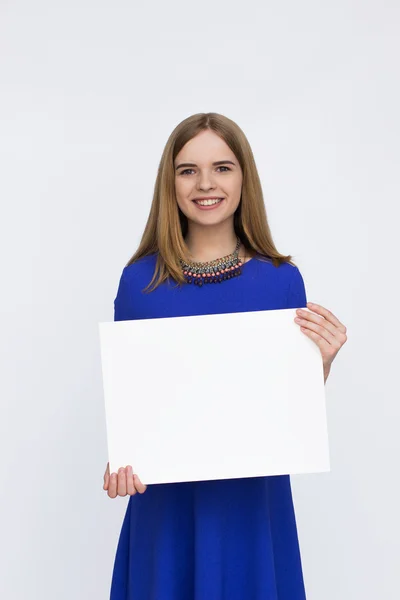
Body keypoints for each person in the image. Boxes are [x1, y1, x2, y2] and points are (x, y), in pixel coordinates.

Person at [103, 112, 348, 600]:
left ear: (244, 178)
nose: (205, 183)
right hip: (166, 509)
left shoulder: (282, 281)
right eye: (188, 170)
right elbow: (135, 404)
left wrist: (321, 363)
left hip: (251, 503)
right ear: (169, 183)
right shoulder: (139, 284)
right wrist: (120, 463)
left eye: (223, 167)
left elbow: (282, 407)